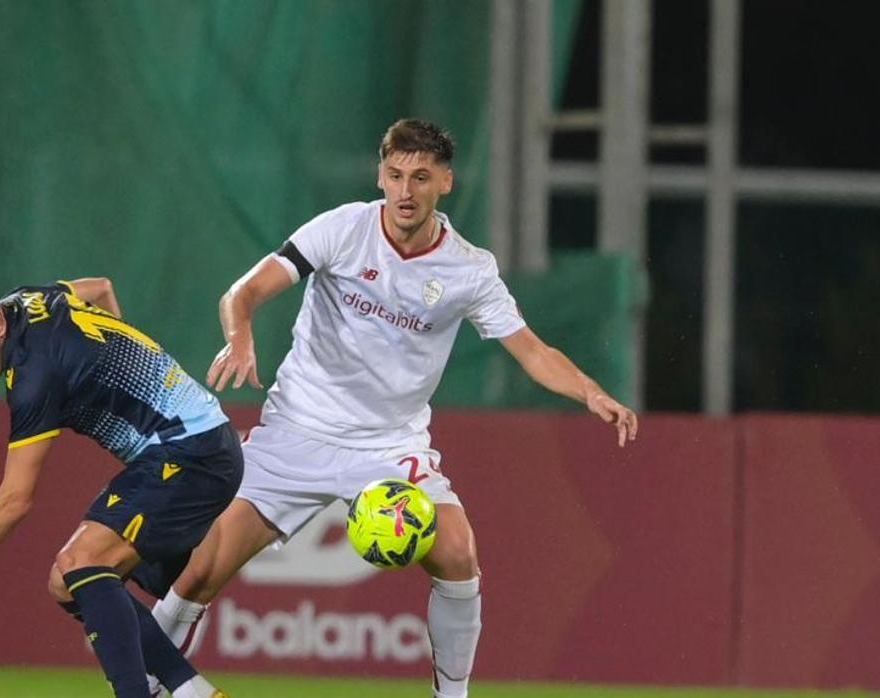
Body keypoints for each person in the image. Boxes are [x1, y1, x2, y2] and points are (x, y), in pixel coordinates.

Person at [149, 119, 639, 698]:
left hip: (388, 446)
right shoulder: (343, 230)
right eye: (396, 175)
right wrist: (239, 335)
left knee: (458, 554)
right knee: (201, 569)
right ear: (381, 175)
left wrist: (590, 390)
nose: (406, 191)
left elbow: (530, 350)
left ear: (446, 184)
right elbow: (244, 292)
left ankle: (451, 697)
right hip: (296, 430)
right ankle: (143, 682)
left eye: (421, 177)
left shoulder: (468, 269)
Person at [0, 274, 239, 698]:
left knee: (81, 561)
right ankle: (194, 692)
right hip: (188, 446)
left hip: (190, 453)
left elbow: (15, 500)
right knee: (66, 581)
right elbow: (102, 287)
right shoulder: (29, 300)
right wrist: (117, 361)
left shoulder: (33, 375)